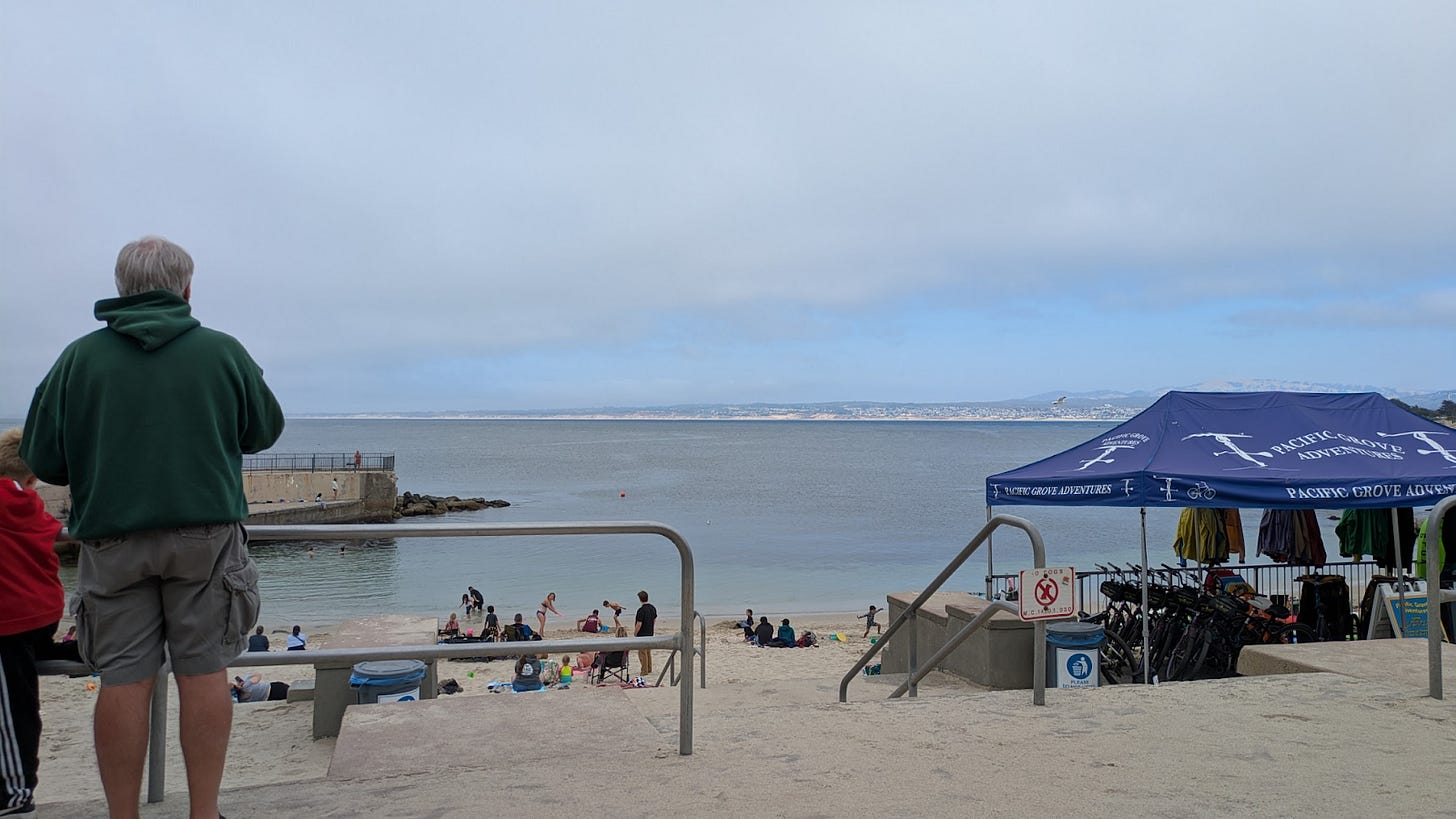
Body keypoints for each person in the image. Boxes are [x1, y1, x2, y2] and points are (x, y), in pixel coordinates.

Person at [20, 236, 284, 819]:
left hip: (112, 539)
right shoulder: (222, 352)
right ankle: (204, 813)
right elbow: (263, 430)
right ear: (186, 288)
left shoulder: (77, 359)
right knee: (204, 670)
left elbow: (42, 458)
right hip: (205, 537)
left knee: (123, 678)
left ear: (121, 288)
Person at [0, 427, 67, 816]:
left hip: (9, 622)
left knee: (13, 711)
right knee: (20, 702)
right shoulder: (30, 505)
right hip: (42, 614)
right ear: (31, 479)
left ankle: (15, 793)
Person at [633, 590, 657, 675]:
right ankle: (649, 668)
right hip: (650, 632)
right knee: (648, 651)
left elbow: (639, 623)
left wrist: (635, 633)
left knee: (642, 653)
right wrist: (651, 628)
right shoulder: (652, 608)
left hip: (642, 634)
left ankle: (644, 670)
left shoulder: (641, 610)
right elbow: (654, 620)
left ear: (640, 599)